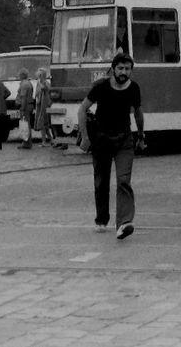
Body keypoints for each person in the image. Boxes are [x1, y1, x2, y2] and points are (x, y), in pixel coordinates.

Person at [78, 53, 144, 240]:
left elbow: (138, 113)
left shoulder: (134, 88)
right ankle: (101, 219)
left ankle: (124, 223)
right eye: (120, 68)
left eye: (127, 69)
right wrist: (85, 137)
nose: (124, 72)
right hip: (101, 140)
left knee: (124, 181)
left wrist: (141, 136)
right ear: (113, 69)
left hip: (124, 140)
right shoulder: (101, 87)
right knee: (101, 182)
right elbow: (82, 109)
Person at [34, 67, 53, 146]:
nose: (39, 76)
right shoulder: (39, 83)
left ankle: (44, 141)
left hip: (44, 106)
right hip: (40, 105)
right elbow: (36, 93)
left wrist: (41, 83)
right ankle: (51, 140)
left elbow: (46, 89)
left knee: (43, 124)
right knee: (45, 124)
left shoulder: (45, 83)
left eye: (40, 75)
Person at [16, 68, 34, 149]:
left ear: (22, 75)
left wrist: (22, 108)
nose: (18, 76)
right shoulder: (29, 83)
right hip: (29, 105)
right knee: (27, 125)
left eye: (19, 74)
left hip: (25, 106)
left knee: (25, 125)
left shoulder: (24, 84)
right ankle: (27, 142)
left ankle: (26, 142)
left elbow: (23, 97)